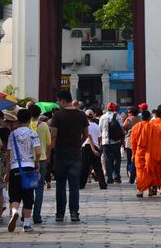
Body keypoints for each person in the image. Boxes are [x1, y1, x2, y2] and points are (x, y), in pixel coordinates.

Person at [50, 90, 88, 222]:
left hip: (61, 155)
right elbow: (86, 135)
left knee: (60, 185)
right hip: (76, 154)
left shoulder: (57, 116)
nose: (58, 103)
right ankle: (74, 213)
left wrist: (52, 149)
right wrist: (79, 143)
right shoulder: (81, 115)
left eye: (58, 101)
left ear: (62, 100)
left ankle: (60, 214)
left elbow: (53, 135)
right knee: (74, 185)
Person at [5, 108, 40, 233]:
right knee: (28, 196)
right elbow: (38, 151)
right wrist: (36, 163)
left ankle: (14, 212)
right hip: (29, 167)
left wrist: (7, 171)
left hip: (15, 167)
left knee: (14, 196)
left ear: (18, 120)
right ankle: (26, 224)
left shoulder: (12, 134)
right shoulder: (33, 134)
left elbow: (7, 153)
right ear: (30, 119)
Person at [27, 103, 51, 224]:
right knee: (39, 189)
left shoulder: (26, 125)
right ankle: (37, 216)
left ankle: (25, 214)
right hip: (41, 159)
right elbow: (49, 142)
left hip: (29, 160)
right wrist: (48, 156)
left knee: (28, 188)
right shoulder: (44, 125)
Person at [80, 110, 106, 190]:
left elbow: (85, 136)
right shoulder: (96, 125)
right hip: (96, 146)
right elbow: (99, 138)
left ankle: (81, 184)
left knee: (84, 167)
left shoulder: (84, 125)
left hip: (86, 146)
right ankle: (102, 185)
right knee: (98, 167)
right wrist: (98, 147)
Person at [130, 109, 153, 198]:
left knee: (140, 172)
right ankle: (150, 190)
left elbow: (133, 142)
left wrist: (133, 153)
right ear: (149, 117)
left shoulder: (136, 127)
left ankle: (140, 190)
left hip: (139, 152)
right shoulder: (153, 127)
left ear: (141, 117)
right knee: (149, 170)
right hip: (151, 152)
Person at [99, 103, 123, 184]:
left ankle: (109, 178)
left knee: (108, 160)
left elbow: (100, 129)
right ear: (114, 108)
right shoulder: (118, 117)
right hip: (116, 141)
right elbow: (121, 129)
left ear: (107, 108)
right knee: (117, 159)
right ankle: (117, 177)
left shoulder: (103, 117)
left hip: (105, 142)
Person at [149, 107, 161, 195]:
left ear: (155, 115)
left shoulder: (150, 124)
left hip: (153, 150)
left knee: (153, 169)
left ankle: (153, 186)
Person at [122, 106, 140, 183]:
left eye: (128, 112)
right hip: (139, 141)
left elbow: (123, 127)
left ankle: (130, 173)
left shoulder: (129, 119)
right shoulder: (139, 119)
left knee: (129, 159)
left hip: (129, 141)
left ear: (131, 113)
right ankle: (136, 174)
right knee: (136, 158)